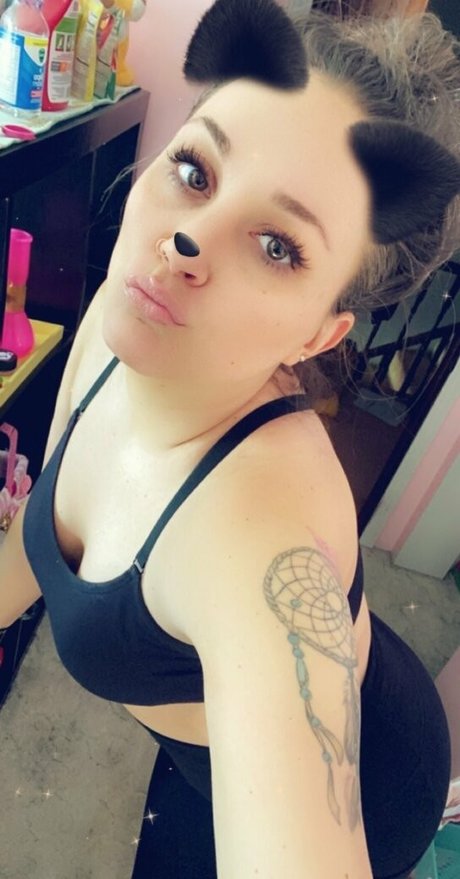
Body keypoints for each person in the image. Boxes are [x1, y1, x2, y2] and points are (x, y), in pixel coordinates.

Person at [1, 0, 459, 876]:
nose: (187, 241)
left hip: (373, 781)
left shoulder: (262, 545)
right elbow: (42, 536)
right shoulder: (121, 318)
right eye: (196, 169)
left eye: (278, 246)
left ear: (318, 334)